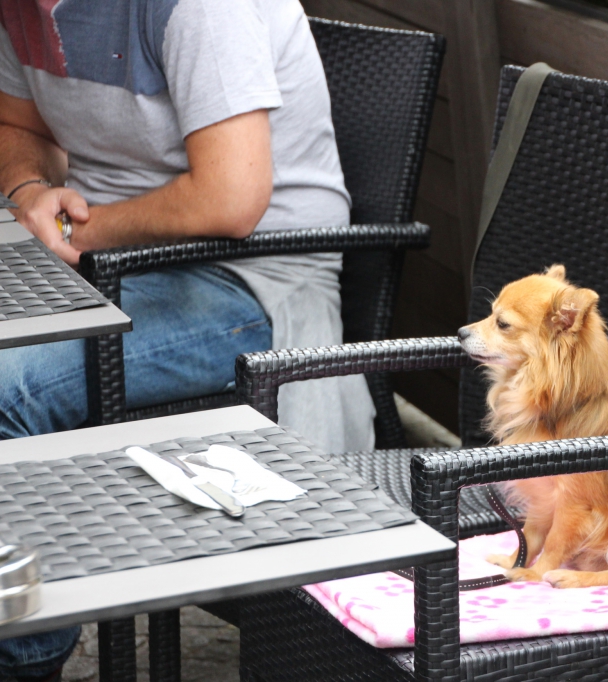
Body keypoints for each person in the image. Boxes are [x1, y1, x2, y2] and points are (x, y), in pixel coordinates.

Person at [0, 1, 375, 678]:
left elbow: (231, 198)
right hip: (108, 263)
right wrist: (30, 189)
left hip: (248, 276)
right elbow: (20, 125)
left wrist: (76, 233)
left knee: (8, 389)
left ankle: (24, 657)